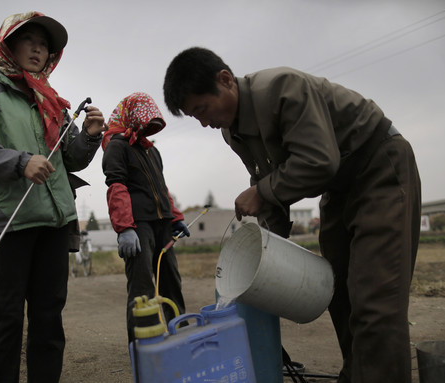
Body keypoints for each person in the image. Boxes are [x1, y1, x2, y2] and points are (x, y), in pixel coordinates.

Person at [163, 47, 421, 383]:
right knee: (337, 290)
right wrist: (266, 244)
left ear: (225, 80)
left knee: (375, 301)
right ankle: (359, 373)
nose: (204, 122)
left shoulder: (282, 89)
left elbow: (317, 161)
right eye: (194, 116)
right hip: (339, 187)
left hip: (378, 166)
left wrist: (262, 192)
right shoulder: (233, 131)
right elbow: (269, 184)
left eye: (201, 109)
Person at [0, 12, 105, 382]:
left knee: (48, 317)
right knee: (5, 317)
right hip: (6, 221)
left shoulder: (53, 102)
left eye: (44, 45)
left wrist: (90, 135)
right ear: (9, 44)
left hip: (54, 222)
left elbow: (71, 158)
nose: (38, 49)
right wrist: (20, 162)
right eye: (29, 40)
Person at [101, 92, 190, 344]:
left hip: (163, 224)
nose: (148, 128)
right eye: (145, 121)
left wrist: (176, 218)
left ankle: (179, 335)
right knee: (142, 289)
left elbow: (162, 187)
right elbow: (116, 186)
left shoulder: (152, 151)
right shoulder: (117, 146)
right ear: (129, 116)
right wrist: (124, 228)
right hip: (137, 227)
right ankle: (143, 344)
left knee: (171, 281)